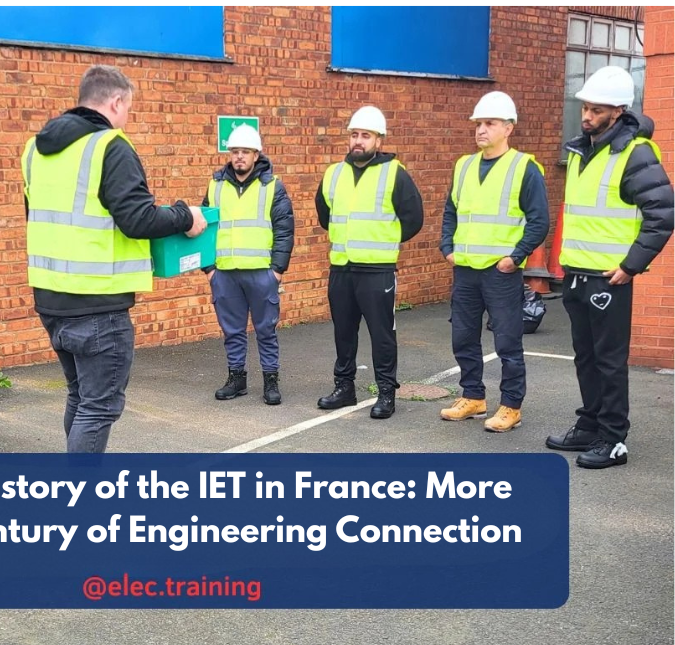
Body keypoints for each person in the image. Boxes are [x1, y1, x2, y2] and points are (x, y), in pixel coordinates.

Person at [21, 65, 207, 453]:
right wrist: (185, 216)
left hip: (51, 299)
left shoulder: (35, 150)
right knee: (99, 407)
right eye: (128, 109)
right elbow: (137, 218)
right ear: (116, 101)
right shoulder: (109, 145)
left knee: (80, 398)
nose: (127, 118)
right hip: (98, 304)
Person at [545, 66, 673, 469]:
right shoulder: (582, 150)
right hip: (578, 271)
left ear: (617, 111)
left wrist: (631, 266)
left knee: (608, 360)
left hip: (609, 277)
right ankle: (590, 423)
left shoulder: (635, 153)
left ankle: (614, 438)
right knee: (585, 356)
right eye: (585, 108)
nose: (586, 116)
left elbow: (663, 214)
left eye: (596, 110)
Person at [439, 91, 549, 432]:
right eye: (478, 123)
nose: (481, 130)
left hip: (500, 273)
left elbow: (539, 220)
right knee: (463, 337)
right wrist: (447, 247)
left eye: (490, 123)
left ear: (509, 128)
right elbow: (451, 211)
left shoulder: (524, 168)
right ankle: (473, 396)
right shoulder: (464, 165)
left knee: (507, 342)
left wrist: (515, 258)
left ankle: (511, 406)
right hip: (467, 270)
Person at [315, 106, 424, 419]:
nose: (358, 141)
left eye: (365, 135)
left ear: (379, 139)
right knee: (343, 333)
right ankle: (344, 388)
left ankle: (386, 393)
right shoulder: (333, 174)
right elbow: (325, 215)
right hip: (342, 268)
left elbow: (413, 219)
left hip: (377, 270)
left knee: (382, 335)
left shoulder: (394, 173)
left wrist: (383, 239)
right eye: (354, 135)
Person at [203, 124, 295, 405]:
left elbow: (284, 229)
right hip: (226, 273)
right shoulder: (215, 186)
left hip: (261, 272)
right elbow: (204, 227)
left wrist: (277, 271)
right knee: (232, 331)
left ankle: (270, 380)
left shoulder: (272, 186)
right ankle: (237, 379)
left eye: (245, 151)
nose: (239, 156)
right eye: (234, 151)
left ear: (256, 154)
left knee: (266, 330)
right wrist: (209, 269)